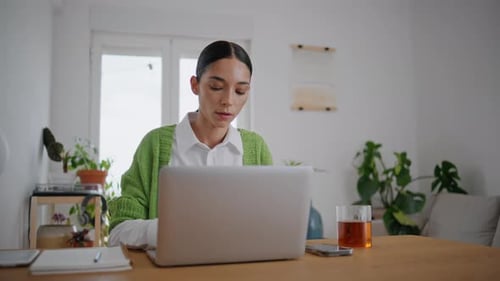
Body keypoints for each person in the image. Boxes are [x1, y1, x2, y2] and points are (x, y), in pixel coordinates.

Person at [108, 40, 273, 248]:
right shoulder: (155, 145)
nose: (228, 101)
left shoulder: (256, 148)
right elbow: (118, 232)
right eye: (216, 87)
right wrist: (170, 230)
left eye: (240, 91)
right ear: (195, 85)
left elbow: (270, 223)